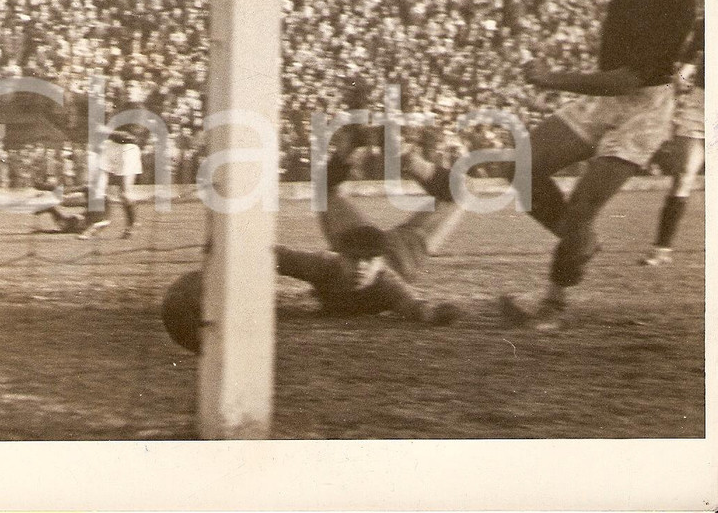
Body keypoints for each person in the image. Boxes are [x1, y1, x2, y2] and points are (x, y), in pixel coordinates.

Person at [400, 0, 696, 327]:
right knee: (522, 168)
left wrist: (550, 77)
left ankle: (553, 304)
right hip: (606, 98)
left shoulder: (680, 1)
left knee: (581, 206)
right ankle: (580, 242)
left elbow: (629, 79)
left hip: (644, 108)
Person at [162, 151, 463, 353]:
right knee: (323, 191)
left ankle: (415, 163)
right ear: (339, 253)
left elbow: (412, 306)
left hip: (402, 253)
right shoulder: (326, 265)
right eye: (354, 261)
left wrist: (434, 313)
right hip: (362, 239)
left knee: (459, 194)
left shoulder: (386, 281)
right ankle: (350, 152)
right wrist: (233, 250)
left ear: (377, 263)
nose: (361, 268)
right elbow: (276, 256)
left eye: (368, 263)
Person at [642, 19, 706, 266]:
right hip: (701, 103)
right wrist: (680, 78)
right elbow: (690, 58)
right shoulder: (709, 19)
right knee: (684, 174)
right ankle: (662, 249)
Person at [90, 127, 143, 239]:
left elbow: (133, 136)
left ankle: (131, 224)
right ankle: (100, 222)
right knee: (99, 188)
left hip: (128, 148)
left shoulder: (134, 111)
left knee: (124, 194)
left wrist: (108, 131)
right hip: (109, 146)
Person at [31, 179, 109, 238]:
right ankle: (50, 202)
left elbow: (68, 201)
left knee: (67, 209)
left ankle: (50, 204)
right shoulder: (97, 197)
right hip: (89, 222)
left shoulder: (96, 197)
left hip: (90, 223)